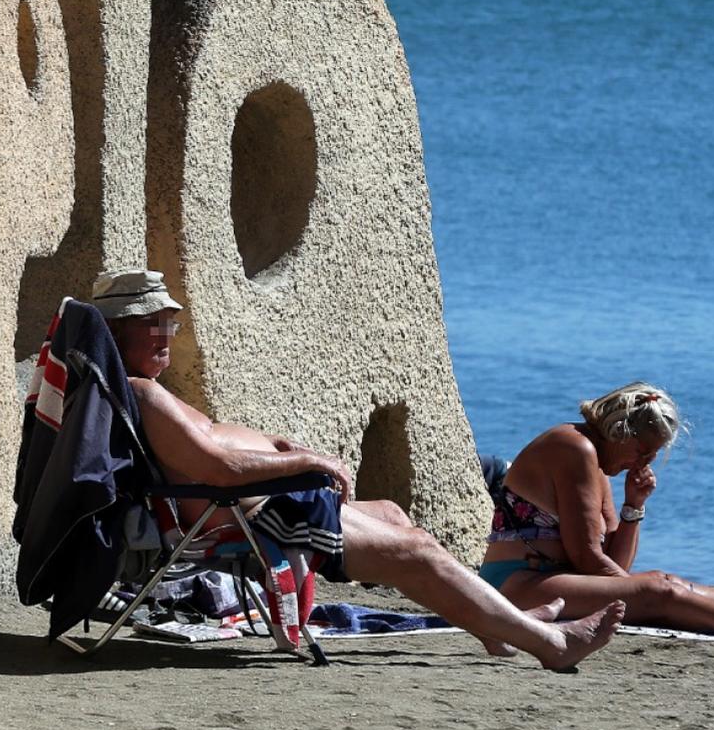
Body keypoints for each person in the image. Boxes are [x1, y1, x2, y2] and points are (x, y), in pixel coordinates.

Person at [90, 268, 626, 671]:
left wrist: (282, 452)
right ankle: (552, 645)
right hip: (244, 513)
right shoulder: (141, 392)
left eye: (169, 323)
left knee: (394, 513)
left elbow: (212, 452)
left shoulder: (137, 389)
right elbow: (220, 465)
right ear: (116, 332)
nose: (166, 334)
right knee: (415, 551)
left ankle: (501, 627)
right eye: (151, 325)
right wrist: (308, 461)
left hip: (249, 503)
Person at [479, 383, 714, 641]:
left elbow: (614, 565)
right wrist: (646, 588)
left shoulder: (596, 463)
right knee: (660, 588)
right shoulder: (574, 448)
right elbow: (586, 558)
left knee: (662, 585)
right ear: (619, 431)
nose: (645, 462)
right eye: (642, 450)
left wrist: (633, 507)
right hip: (514, 584)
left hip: (550, 580)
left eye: (653, 454)